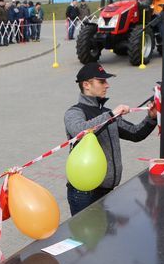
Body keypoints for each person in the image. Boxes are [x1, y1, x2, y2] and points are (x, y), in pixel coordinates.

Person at [64, 63, 158, 216]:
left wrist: (151, 118)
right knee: (87, 238)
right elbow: (79, 130)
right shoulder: (74, 112)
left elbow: (135, 133)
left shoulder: (108, 114)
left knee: (104, 237)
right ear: (86, 85)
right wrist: (111, 115)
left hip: (107, 191)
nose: (107, 85)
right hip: (84, 193)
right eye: (102, 81)